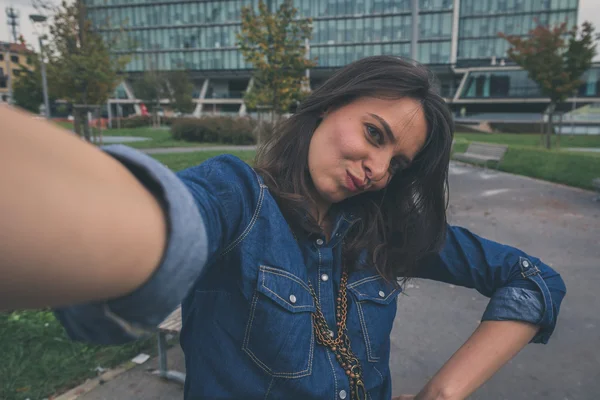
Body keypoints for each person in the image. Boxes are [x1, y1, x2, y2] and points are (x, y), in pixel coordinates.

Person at [0, 56, 565, 400]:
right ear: (330, 104)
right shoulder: (238, 199)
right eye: (374, 134)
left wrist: (442, 391)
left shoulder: (384, 234)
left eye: (397, 165)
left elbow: (532, 279)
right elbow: (160, 220)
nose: (377, 170)